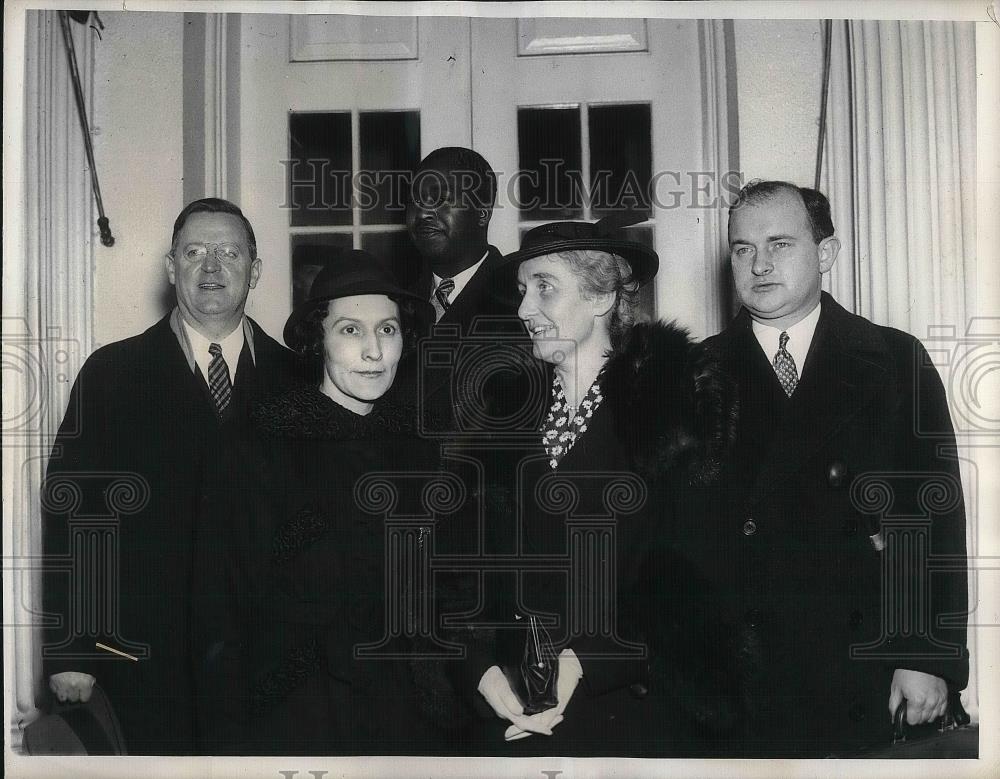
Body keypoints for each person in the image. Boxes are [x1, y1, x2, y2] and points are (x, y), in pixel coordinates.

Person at [685, 180, 970, 756]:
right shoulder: (694, 373)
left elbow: (931, 519)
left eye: (780, 244)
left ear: (826, 254)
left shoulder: (893, 359)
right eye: (743, 248)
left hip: (862, 664)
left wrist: (924, 656)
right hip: (734, 676)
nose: (759, 264)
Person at [470, 215, 739, 756]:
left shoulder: (669, 409)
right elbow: (462, 564)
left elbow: (695, 573)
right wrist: (480, 670)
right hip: (515, 705)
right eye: (523, 291)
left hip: (633, 707)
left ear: (600, 297)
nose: (524, 309)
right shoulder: (503, 413)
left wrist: (588, 660)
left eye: (544, 287)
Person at [40, 198, 302, 754]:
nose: (211, 268)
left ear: (255, 271)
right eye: (195, 252)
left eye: (229, 253)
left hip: (270, 666)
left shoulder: (298, 378)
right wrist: (71, 651)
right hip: (148, 662)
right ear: (170, 267)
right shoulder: (113, 374)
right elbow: (73, 513)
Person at [195, 249, 472, 755]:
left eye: (387, 330)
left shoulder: (427, 450)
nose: (373, 352)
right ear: (316, 339)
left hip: (415, 723)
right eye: (350, 330)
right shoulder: (262, 447)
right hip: (303, 718)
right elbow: (225, 610)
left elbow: (450, 596)